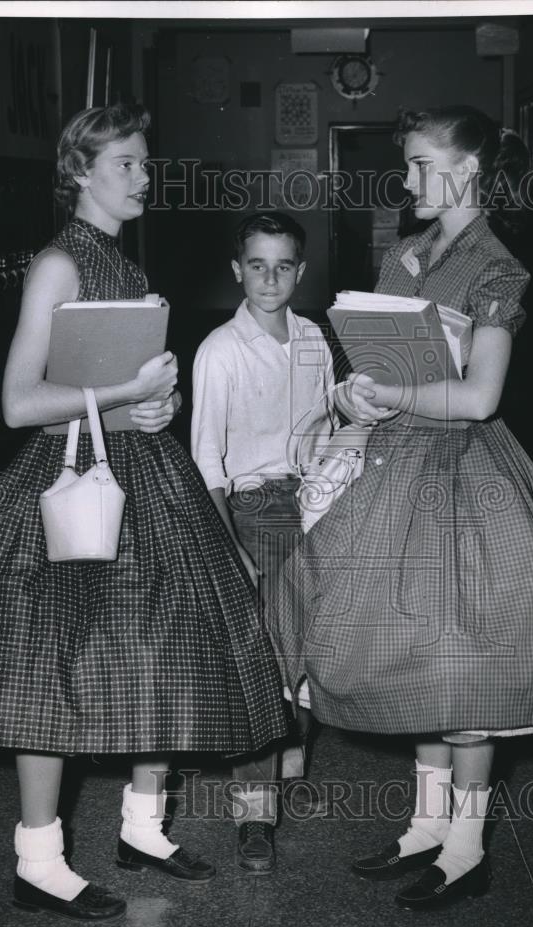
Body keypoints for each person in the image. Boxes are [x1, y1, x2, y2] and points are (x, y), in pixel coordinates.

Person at [0, 103, 288, 920]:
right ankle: (37, 858)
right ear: (80, 170)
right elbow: (16, 403)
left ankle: (142, 827)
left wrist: (148, 408)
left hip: (141, 468)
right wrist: (127, 396)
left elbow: (108, 391)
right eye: (128, 164)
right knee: (53, 665)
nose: (145, 177)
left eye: (147, 163)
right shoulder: (58, 264)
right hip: (73, 483)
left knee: (163, 647)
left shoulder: (119, 258)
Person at [273, 106, 533, 910]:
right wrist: (351, 401)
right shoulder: (406, 254)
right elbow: (382, 362)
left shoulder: (497, 269)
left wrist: (393, 390)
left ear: (467, 171)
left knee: (462, 655)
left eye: (424, 165)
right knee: (410, 648)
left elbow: (481, 396)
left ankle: (466, 846)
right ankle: (427, 825)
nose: (408, 180)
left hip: (464, 473)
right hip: (393, 461)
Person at [191, 212, 336, 874]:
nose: (270, 277)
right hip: (252, 508)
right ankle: (254, 814)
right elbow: (207, 464)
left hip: (314, 500)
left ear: (300, 272)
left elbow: (327, 429)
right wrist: (232, 548)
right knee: (265, 662)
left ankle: (292, 744)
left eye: (283, 266)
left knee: (312, 643)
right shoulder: (221, 349)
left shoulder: (313, 338)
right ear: (236, 269)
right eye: (257, 264)